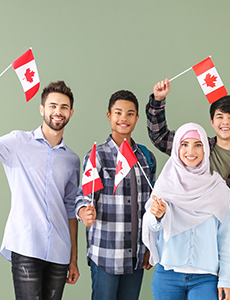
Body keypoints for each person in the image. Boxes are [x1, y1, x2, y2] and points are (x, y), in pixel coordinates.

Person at [146, 79, 230, 300]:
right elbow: (160, 136)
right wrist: (158, 100)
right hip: (179, 255)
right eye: (220, 116)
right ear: (211, 121)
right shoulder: (197, 146)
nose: (225, 122)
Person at [0, 81, 80, 300]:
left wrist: (73, 258)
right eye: (52, 106)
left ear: (71, 112)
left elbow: (70, 208)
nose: (58, 111)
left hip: (60, 252)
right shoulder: (18, 141)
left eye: (63, 107)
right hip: (26, 246)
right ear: (42, 109)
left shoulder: (72, 160)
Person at [75, 90, 156, 300]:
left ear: (137, 118)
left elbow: (151, 207)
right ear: (109, 115)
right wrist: (84, 211)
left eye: (130, 113)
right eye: (118, 112)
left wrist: (150, 246)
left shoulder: (146, 157)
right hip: (105, 255)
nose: (124, 118)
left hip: (136, 256)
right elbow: (83, 195)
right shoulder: (97, 156)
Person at [142, 122, 230, 300]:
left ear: (205, 149)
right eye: (184, 144)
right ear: (177, 148)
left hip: (206, 277)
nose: (191, 151)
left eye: (197, 145)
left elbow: (224, 237)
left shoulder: (218, 189)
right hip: (168, 274)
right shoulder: (165, 184)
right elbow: (152, 226)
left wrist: (225, 279)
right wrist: (157, 216)